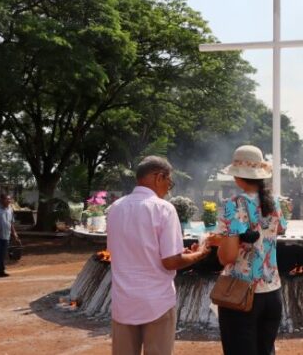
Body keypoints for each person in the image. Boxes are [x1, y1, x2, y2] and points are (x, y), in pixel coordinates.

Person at [107, 156, 212, 355]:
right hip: (156, 301)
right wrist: (198, 255)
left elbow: (121, 252)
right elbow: (170, 261)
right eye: (169, 182)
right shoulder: (163, 208)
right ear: (159, 177)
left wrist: (181, 255)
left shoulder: (115, 208)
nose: (168, 188)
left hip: (124, 300)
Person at [212, 145, 287, 355]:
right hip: (272, 291)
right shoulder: (276, 203)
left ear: (237, 176)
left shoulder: (233, 205)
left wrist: (219, 246)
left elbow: (227, 256)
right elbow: (278, 229)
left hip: (242, 294)